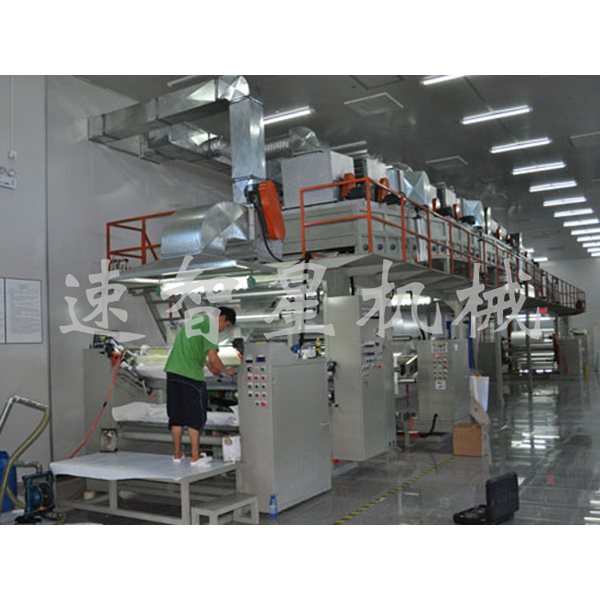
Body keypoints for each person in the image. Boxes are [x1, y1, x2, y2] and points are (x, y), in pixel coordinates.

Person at [163, 306, 237, 465]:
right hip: (191, 376)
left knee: (176, 416)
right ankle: (195, 457)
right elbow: (213, 356)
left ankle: (177, 454)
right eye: (225, 325)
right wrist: (226, 371)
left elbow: (193, 349)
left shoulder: (195, 320)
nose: (223, 330)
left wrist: (210, 366)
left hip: (173, 373)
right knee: (195, 416)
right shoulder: (210, 325)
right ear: (221, 318)